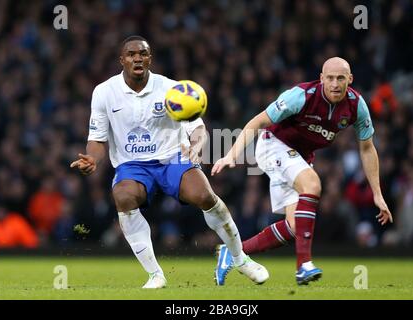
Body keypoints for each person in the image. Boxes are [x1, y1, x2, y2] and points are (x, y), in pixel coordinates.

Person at [70, 35, 269, 289]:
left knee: (205, 195)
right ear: (122, 60)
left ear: (150, 58)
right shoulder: (104, 92)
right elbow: (97, 139)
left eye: (143, 53)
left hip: (172, 158)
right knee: (123, 196)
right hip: (132, 165)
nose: (137, 58)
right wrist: (92, 159)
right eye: (131, 54)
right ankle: (155, 275)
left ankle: (240, 259)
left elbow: (197, 126)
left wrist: (197, 146)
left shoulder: (171, 89)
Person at [211, 57, 393, 285]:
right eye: (330, 78)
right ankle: (304, 266)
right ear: (321, 79)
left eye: (340, 78)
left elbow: (367, 148)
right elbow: (258, 121)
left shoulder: (357, 105)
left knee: (296, 227)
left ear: (350, 79)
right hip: (273, 145)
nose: (335, 84)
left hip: (300, 157)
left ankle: (233, 253)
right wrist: (232, 154)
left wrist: (377, 193)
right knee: (313, 184)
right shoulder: (301, 96)